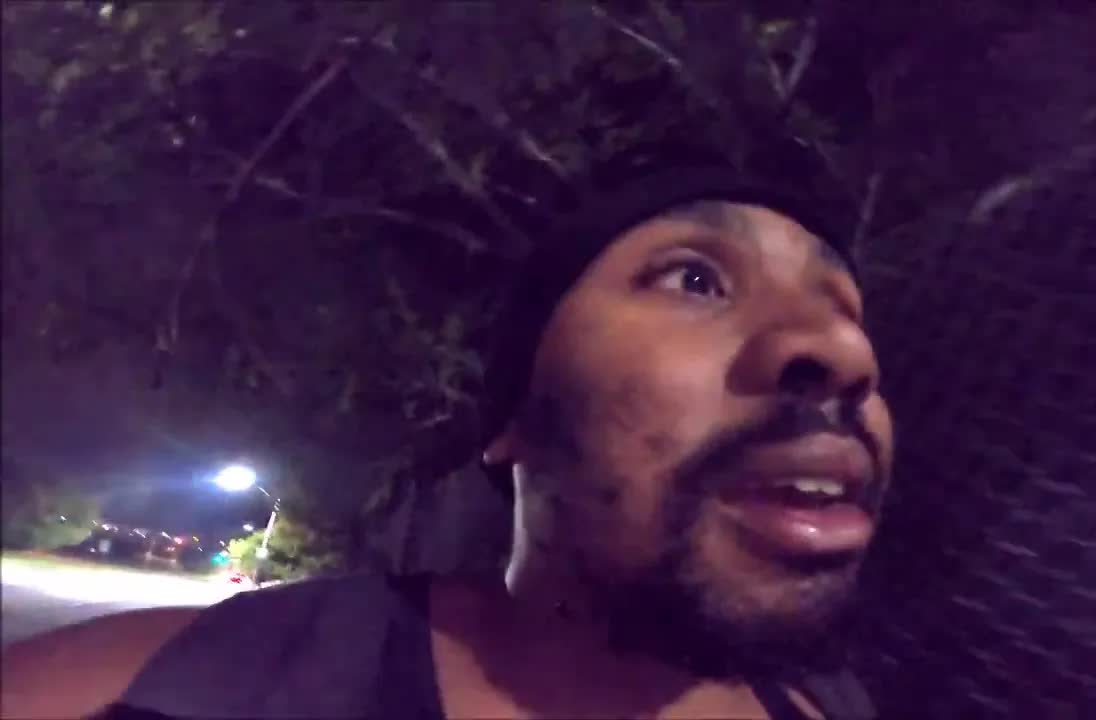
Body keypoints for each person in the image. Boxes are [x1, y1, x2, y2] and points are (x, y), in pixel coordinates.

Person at [1, 160, 892, 720]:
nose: (844, 352)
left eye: (847, 314)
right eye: (693, 280)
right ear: (513, 419)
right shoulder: (161, 688)